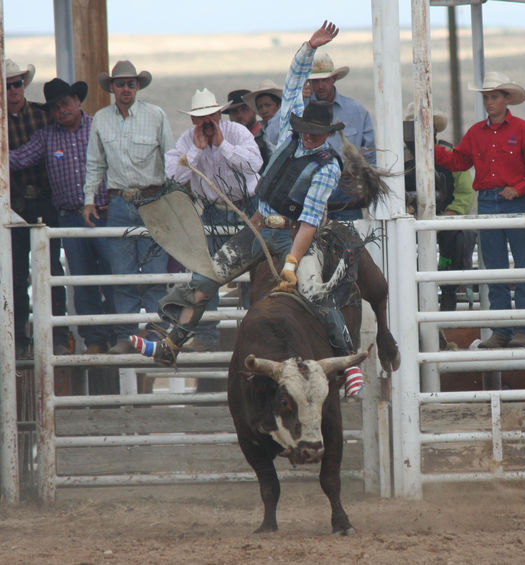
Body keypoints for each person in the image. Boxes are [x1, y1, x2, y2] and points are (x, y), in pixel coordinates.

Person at [130, 21, 365, 397]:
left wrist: (290, 262)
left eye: (315, 132)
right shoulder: (291, 132)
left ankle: (348, 361)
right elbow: (292, 84)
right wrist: (308, 47)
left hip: (295, 236)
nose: (307, 135)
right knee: (207, 277)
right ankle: (172, 343)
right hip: (259, 227)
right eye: (305, 127)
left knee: (313, 289)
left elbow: (308, 219)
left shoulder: (328, 165)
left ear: (327, 134)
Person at [434, 72, 525, 348]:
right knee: (494, 267)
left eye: (494, 97)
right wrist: (430, 149)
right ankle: (502, 330)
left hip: (514, 201)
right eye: (486, 97)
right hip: (487, 200)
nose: (489, 102)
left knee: (523, 267)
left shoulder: (523, 130)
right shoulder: (476, 133)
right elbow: (458, 161)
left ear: (506, 99)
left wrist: (518, 188)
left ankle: (522, 329)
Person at [9, 78, 114, 357]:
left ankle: (117, 334)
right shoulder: (47, 136)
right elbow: (18, 159)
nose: (62, 110)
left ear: (77, 102)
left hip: (104, 212)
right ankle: (94, 339)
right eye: (55, 107)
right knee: (81, 280)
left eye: (65, 103)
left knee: (112, 275)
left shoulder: (99, 127)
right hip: (69, 217)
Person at [82, 60, 174, 354]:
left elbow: (170, 160)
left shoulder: (156, 115)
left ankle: (157, 335)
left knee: (155, 272)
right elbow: (95, 163)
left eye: (130, 84)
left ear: (137, 86)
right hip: (119, 200)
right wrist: (88, 200)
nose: (125, 89)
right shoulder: (101, 119)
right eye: (120, 84)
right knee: (122, 273)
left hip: (153, 199)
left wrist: (173, 200)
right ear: (112, 87)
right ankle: (126, 335)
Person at [165, 88, 262, 351]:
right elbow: (173, 178)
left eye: (211, 116)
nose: (207, 122)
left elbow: (255, 164)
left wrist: (222, 145)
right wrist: (196, 151)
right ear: (194, 121)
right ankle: (206, 336)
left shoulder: (237, 133)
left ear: (219, 115)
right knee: (207, 272)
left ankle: (255, 335)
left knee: (256, 272)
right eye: (201, 118)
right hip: (213, 210)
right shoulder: (187, 141)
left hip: (247, 206)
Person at [5, 58, 69, 358]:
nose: (13, 89)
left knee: (52, 266)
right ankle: (19, 337)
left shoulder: (43, 117)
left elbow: (18, 159)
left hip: (45, 199)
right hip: (14, 204)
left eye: (17, 83)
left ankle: (58, 334)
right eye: (8, 85)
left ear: (23, 85)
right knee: (16, 270)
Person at [404, 104, 475, 311]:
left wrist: (444, 219)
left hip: (445, 219)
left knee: (458, 237)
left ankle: (449, 291)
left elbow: (464, 194)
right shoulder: (399, 157)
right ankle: (410, 293)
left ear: (434, 129)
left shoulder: (449, 153)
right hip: (410, 221)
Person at [307, 52, 375, 221]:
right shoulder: (301, 107)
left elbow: (371, 154)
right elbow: (274, 134)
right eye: (315, 81)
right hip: (309, 186)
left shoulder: (357, 111)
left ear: (334, 79)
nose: (321, 85)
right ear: (309, 82)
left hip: (347, 186)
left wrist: (368, 187)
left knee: (349, 241)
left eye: (325, 80)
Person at [224, 87, 275, 170]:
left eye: (244, 109)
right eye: (234, 111)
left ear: (254, 110)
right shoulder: (226, 142)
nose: (239, 115)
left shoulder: (267, 137)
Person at [242, 79, 283, 156]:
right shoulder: (258, 136)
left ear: (278, 106)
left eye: (268, 105)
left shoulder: (289, 128)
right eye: (260, 107)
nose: (264, 110)